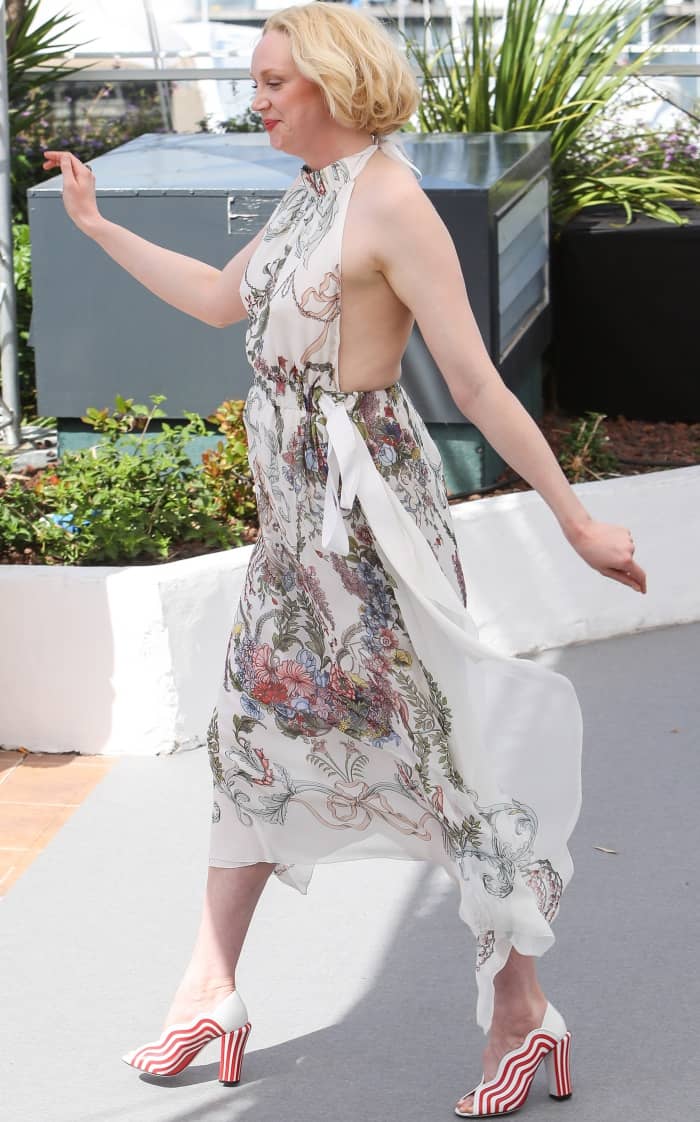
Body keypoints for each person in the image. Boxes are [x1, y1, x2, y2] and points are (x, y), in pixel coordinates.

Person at [43, 3, 646, 1115]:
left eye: (274, 81)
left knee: (441, 758)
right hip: (291, 534)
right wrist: (94, 227)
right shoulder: (310, 190)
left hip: (371, 533)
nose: (257, 98)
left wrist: (575, 520)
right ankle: (208, 991)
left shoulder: (393, 201)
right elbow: (225, 302)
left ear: (330, 83)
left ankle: (524, 1015)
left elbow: (473, 383)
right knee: (251, 739)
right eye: (256, 80)